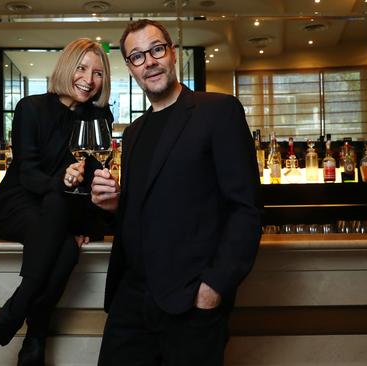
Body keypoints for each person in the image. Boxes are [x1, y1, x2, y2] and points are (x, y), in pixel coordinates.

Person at [88, 19, 262, 366]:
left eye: (156, 49)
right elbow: (146, 207)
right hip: (132, 297)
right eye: (137, 56)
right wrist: (113, 204)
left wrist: (213, 288)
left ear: (172, 53)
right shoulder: (134, 132)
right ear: (130, 69)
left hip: (190, 300)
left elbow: (246, 209)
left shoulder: (218, 110)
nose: (149, 62)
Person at [0, 38, 113, 366]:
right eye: (82, 68)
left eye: (98, 73)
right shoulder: (31, 108)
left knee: (68, 242)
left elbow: (94, 178)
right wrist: (64, 182)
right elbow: (29, 174)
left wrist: (80, 205)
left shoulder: (99, 116)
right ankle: (31, 332)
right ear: (66, 67)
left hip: (61, 209)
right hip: (18, 202)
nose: (89, 79)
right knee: (62, 223)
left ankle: (14, 323)